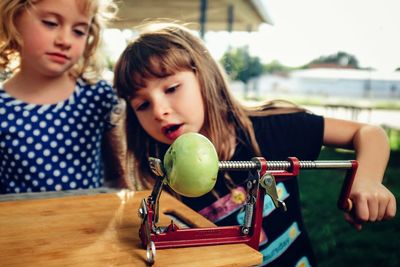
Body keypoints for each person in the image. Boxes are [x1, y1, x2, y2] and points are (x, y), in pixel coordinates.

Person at [113, 22, 397, 266]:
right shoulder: (161, 178)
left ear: (204, 78)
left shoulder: (269, 130)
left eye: (172, 88)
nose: (159, 110)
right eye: (142, 104)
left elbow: (369, 132)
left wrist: (367, 180)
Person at [0, 0, 127, 194]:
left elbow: (119, 173)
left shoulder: (97, 95)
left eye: (78, 31)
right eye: (51, 23)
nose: (65, 41)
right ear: (13, 17)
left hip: (90, 221)